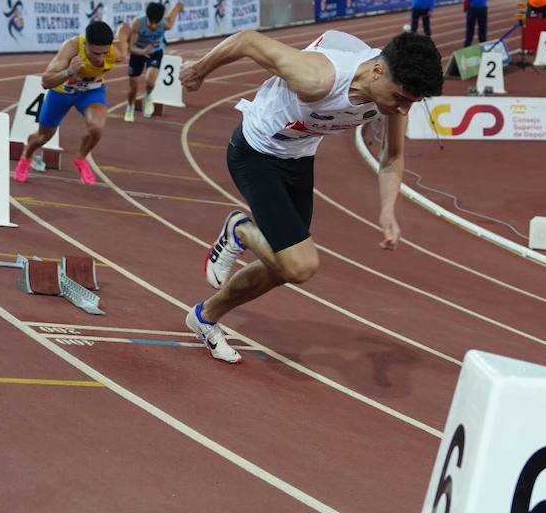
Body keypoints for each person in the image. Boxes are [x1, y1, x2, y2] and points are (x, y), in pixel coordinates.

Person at [177, 30, 444, 363]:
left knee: (281, 269)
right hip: (255, 153)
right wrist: (199, 70)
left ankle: (204, 317)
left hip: (298, 159)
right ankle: (240, 230)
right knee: (300, 266)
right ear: (377, 71)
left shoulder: (389, 97)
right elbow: (247, 40)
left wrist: (388, 210)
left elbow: (391, 155)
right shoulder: (318, 77)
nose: (404, 110)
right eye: (401, 98)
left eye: (412, 103)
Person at [14, 19, 135, 186]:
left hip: (91, 92)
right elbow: (45, 82)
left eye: (104, 53)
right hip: (62, 93)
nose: (100, 58)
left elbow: (124, 32)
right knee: (42, 138)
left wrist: (126, 27)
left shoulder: (117, 53)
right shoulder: (71, 48)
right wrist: (69, 72)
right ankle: (26, 155)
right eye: (95, 53)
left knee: (96, 128)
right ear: (86, 44)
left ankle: (80, 158)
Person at [125, 0, 183, 122]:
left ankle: (148, 97)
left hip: (155, 51)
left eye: (157, 23)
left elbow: (176, 8)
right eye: (151, 22)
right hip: (138, 53)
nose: (154, 26)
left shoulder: (166, 23)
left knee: (150, 82)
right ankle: (130, 107)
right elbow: (131, 47)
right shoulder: (138, 23)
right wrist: (142, 51)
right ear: (147, 17)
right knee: (133, 88)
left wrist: (180, 6)